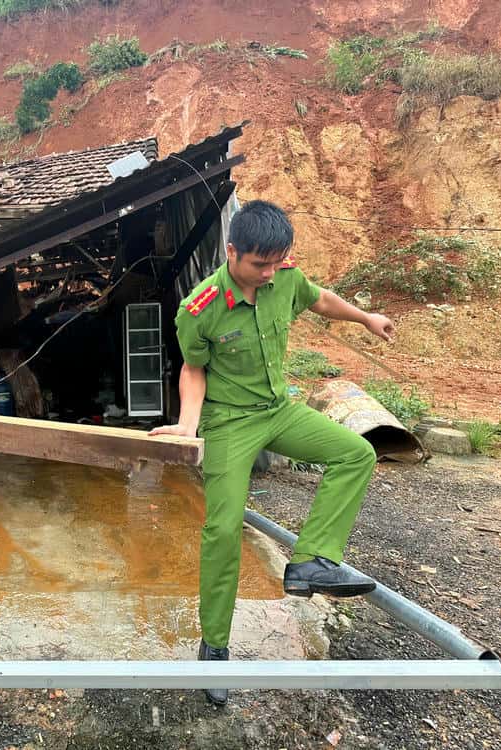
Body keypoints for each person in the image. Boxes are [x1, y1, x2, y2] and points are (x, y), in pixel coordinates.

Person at [150, 200, 395, 706]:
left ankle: (310, 562)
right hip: (229, 422)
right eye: (259, 264)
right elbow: (193, 368)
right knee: (222, 530)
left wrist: (365, 318)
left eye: (276, 263)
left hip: (278, 410)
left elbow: (320, 299)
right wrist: (188, 424)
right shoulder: (200, 307)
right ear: (232, 251)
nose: (268, 273)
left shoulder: (285, 278)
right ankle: (214, 648)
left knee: (356, 454)